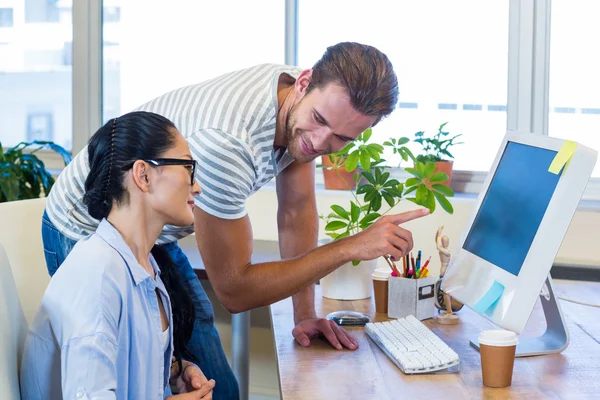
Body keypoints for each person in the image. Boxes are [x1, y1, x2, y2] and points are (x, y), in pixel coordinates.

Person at [43, 42, 429, 398]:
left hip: (150, 229)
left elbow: (296, 211)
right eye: (319, 120)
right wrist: (351, 246)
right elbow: (236, 290)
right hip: (87, 224)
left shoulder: (309, 101)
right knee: (145, 368)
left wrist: (305, 315)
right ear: (304, 82)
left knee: (192, 353)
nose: (320, 141)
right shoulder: (228, 143)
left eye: (342, 138)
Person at [21, 112, 215, 399]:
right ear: (144, 175)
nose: (196, 186)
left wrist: (174, 370)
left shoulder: (142, 266)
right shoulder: (96, 276)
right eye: (188, 167)